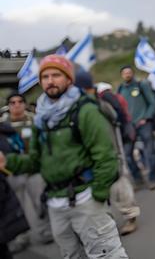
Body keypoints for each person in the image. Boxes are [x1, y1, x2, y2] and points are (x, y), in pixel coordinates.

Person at [0, 55, 128, 258]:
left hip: (86, 198)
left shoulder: (85, 110)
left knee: (107, 255)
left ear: (69, 79)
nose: (50, 81)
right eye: (45, 77)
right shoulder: (41, 118)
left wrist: (98, 194)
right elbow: (36, 160)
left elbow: (106, 156)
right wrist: (8, 162)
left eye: (56, 75)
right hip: (56, 203)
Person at [75, 72, 140, 236]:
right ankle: (108, 223)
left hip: (112, 152)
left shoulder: (101, 103)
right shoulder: (77, 107)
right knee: (102, 191)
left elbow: (115, 118)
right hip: (93, 156)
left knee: (119, 186)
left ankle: (131, 217)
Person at [0, 92, 53, 253]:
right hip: (12, 173)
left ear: (24, 104)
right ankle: (21, 237)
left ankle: (46, 232)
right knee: (17, 207)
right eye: (13, 102)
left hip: (34, 171)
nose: (17, 105)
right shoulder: (3, 126)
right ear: (9, 106)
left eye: (20, 101)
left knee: (41, 202)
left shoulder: (34, 121)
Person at [117, 65, 155, 190]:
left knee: (149, 152)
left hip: (144, 124)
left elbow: (152, 103)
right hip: (130, 126)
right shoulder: (120, 89)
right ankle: (138, 178)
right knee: (127, 154)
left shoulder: (141, 85)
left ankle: (152, 179)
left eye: (129, 72)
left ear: (132, 73)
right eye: (125, 73)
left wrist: (146, 117)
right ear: (122, 75)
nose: (127, 74)